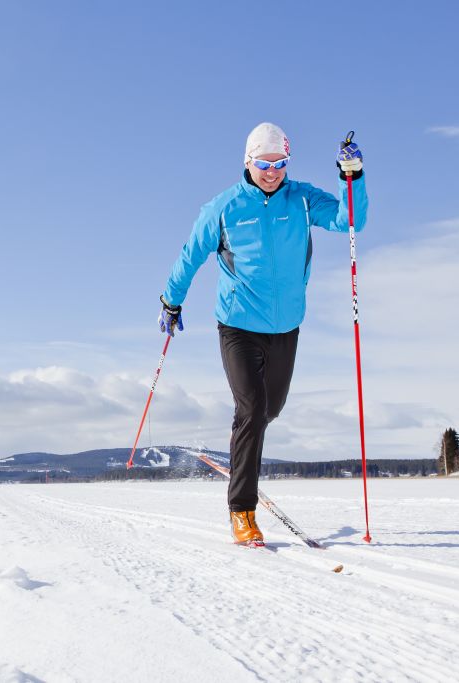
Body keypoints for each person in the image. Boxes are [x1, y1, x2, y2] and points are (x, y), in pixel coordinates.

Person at [157, 122, 367, 545]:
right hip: (237, 324)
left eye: (280, 163)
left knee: (269, 410)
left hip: (287, 326)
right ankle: (242, 510)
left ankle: (241, 448)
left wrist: (353, 177)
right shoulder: (223, 208)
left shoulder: (303, 199)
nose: (272, 171)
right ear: (247, 161)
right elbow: (190, 255)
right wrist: (171, 300)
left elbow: (351, 221)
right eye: (263, 163)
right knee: (252, 411)